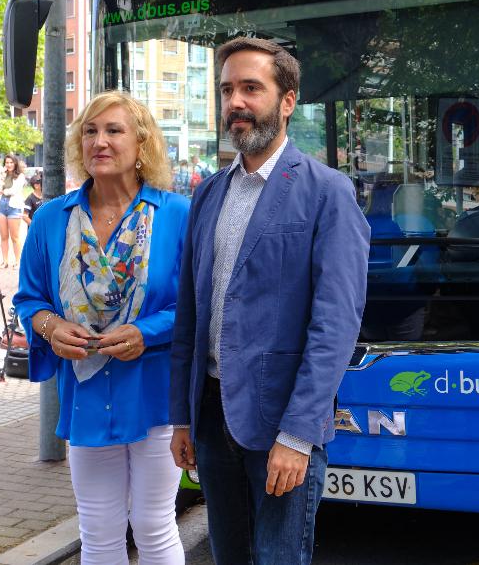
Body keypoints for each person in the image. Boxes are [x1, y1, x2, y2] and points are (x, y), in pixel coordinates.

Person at [169, 37, 370, 565]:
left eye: (251, 88)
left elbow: (335, 326)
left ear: (287, 101)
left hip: (282, 423)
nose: (235, 101)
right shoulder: (209, 193)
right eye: (227, 89)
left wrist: (300, 435)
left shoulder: (328, 193)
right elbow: (190, 311)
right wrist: (183, 419)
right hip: (213, 419)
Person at [14, 91, 190, 565]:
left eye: (114, 131)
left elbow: (198, 306)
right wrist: (51, 328)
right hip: (86, 395)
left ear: (142, 143)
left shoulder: (178, 215)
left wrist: (145, 333)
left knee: (154, 526)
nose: (100, 142)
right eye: (90, 131)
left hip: (155, 395)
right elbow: (29, 299)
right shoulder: (52, 218)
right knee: (98, 531)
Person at [0, 154, 27, 268]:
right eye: (7, 162)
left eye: (11, 162)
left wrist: (4, 191)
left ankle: (18, 262)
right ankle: (5, 261)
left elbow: (14, 190)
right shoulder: (3, 175)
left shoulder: (20, 176)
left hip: (14, 207)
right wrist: (2, 177)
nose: (9, 165)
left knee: (15, 237)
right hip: (1, 206)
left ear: (15, 163)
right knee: (3, 236)